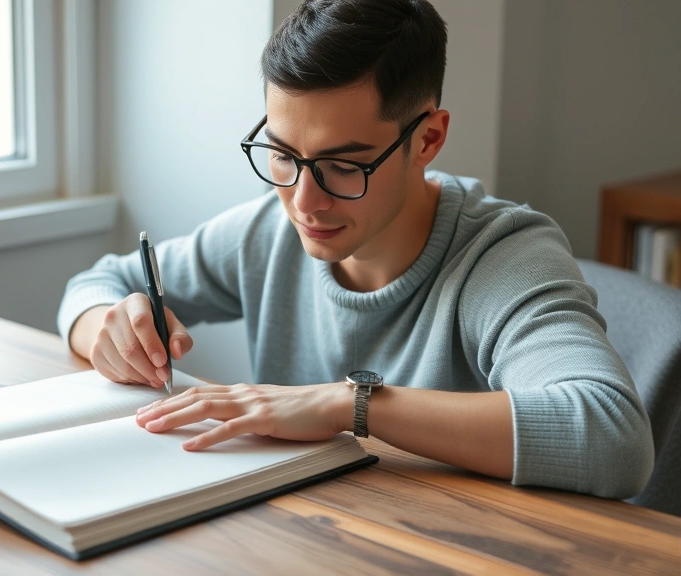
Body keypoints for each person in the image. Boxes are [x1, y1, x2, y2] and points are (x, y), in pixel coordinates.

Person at [56, 0, 654, 498]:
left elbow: (613, 437)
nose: (304, 202)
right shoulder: (267, 230)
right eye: (284, 155)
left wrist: (351, 404)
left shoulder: (503, 258)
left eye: (343, 165)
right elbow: (98, 283)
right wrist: (107, 329)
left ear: (428, 139)